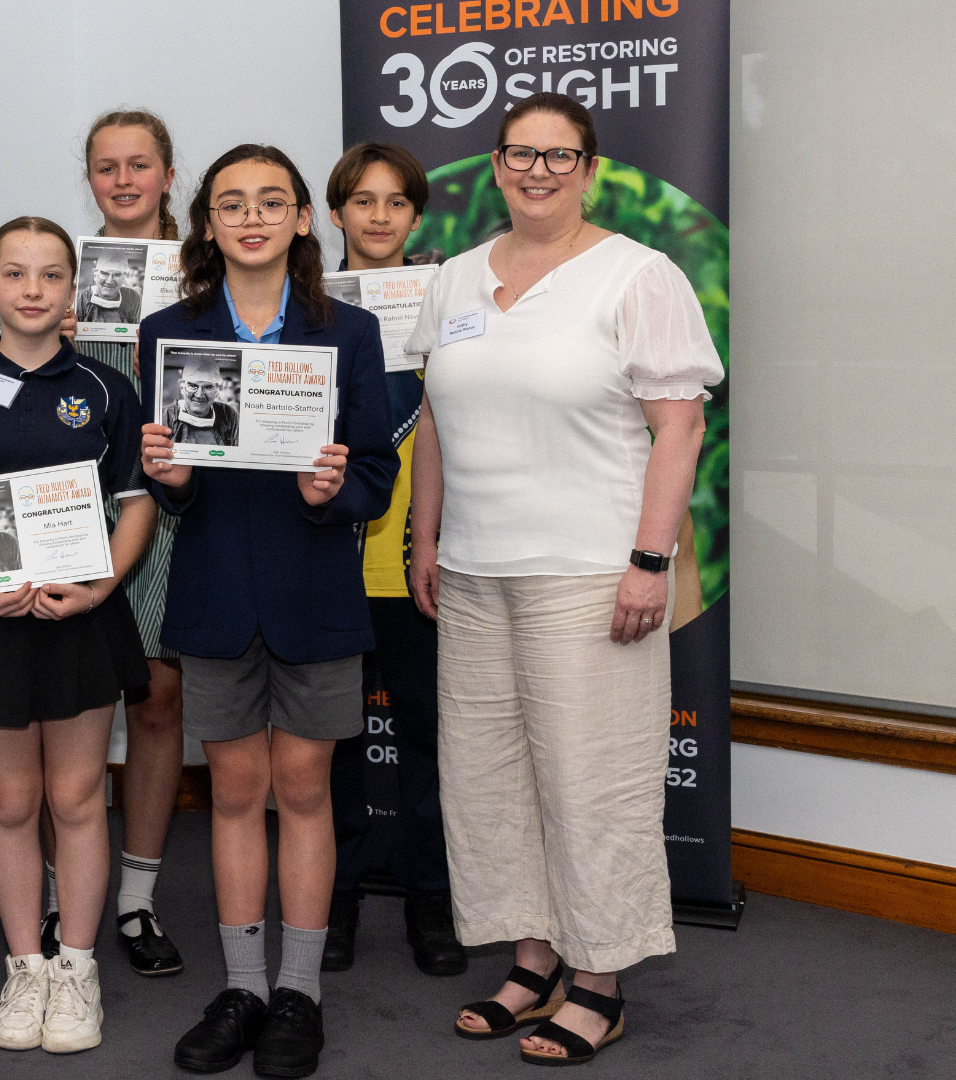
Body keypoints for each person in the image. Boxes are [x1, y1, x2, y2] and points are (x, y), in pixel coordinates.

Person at [405, 93, 723, 1065]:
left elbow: (681, 425)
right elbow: (433, 422)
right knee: (489, 783)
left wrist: (648, 561)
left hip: (590, 574)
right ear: (496, 166)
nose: (537, 171)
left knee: (595, 786)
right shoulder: (455, 278)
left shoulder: (639, 275)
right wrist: (425, 542)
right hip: (473, 574)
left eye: (559, 155)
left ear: (589, 168)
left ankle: (600, 981)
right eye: (519, 154)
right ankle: (532, 959)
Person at [143, 144, 398, 1078]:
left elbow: (378, 468)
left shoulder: (349, 334)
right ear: (207, 224)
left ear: (302, 220)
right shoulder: (170, 329)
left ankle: (299, 991)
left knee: (304, 794)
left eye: (272, 201)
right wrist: (166, 480)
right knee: (236, 797)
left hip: (315, 600)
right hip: (214, 601)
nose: (251, 216)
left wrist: (336, 486)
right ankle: (243, 987)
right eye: (231, 203)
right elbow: (170, 482)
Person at [0, 217, 157, 1054]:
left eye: (51, 276)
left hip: (81, 617)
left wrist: (99, 588)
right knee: (11, 802)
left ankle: (78, 966)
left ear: (71, 292)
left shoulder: (106, 387)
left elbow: (137, 501)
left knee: (78, 798)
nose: (32, 289)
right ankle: (25, 967)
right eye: (14, 275)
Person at [44, 108, 188, 981]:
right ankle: (71, 892)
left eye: (140, 165)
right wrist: (47, 340)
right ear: (90, 179)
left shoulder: (208, 273)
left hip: (175, 509)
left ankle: (135, 898)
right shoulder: (63, 273)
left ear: (170, 174)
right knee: (76, 712)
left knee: (159, 704)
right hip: (78, 506)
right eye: (107, 167)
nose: (124, 180)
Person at [318, 142, 467, 979]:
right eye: (361, 201)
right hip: (330, 560)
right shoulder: (308, 311)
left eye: (396, 202)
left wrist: (432, 540)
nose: (378, 217)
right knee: (329, 748)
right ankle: (330, 903)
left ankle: (430, 901)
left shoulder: (447, 302)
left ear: (417, 216)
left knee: (424, 739)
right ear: (335, 213)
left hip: (419, 560)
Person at [162, 354, 240, 447]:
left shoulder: (229, 415)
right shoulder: (165, 416)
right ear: (182, 388)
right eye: (192, 386)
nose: (199, 395)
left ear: (217, 391)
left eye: (208, 387)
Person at [76, 248, 144, 325]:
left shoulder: (133, 298)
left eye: (117, 275)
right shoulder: (80, 299)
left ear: (124, 277)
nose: (109, 281)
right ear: (95, 274)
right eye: (104, 274)